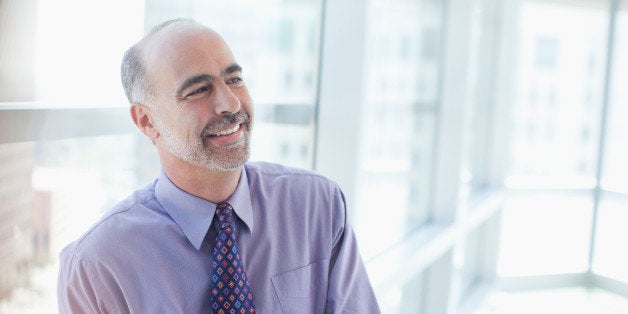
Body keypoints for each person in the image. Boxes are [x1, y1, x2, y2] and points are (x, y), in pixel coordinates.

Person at [57, 18, 380, 313]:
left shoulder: (317, 205)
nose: (231, 103)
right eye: (198, 90)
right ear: (147, 121)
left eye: (234, 79)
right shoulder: (98, 265)